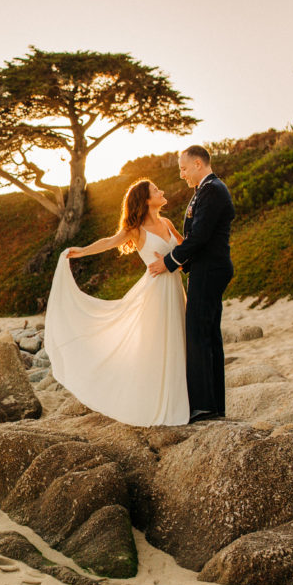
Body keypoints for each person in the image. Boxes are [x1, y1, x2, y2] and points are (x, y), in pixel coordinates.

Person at [44, 178, 189, 427]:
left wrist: (173, 258)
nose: (161, 190)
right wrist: (81, 250)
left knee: (180, 340)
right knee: (158, 346)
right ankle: (156, 402)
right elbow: (109, 242)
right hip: (155, 293)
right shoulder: (136, 229)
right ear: (145, 199)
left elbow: (186, 247)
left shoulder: (166, 222)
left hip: (175, 288)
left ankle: (182, 398)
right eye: (156, 189)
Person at [147, 145, 234, 423]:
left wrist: (170, 262)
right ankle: (214, 404)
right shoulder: (206, 190)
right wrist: (185, 262)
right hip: (206, 268)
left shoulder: (212, 190)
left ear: (198, 164)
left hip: (210, 269)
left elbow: (200, 237)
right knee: (207, 334)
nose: (182, 174)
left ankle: (204, 406)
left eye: (183, 168)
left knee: (198, 334)